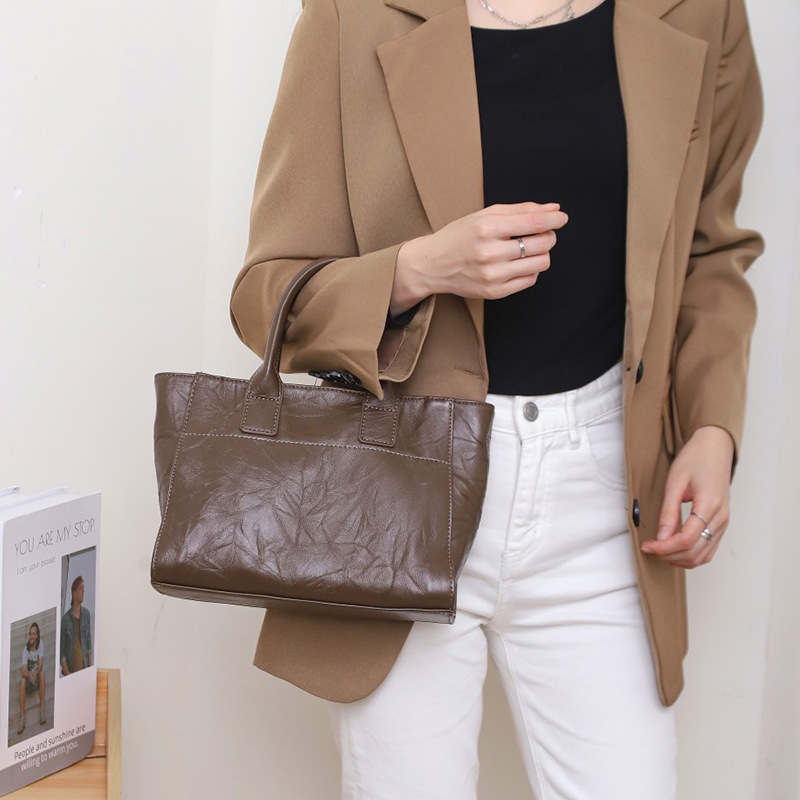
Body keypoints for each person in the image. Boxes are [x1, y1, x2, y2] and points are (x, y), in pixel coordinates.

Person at [229, 0, 765, 796]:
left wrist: (712, 429)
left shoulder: (701, 10)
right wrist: (418, 268)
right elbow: (264, 296)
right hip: (400, 494)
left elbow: (711, 251)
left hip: (607, 496)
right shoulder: (352, 14)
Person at [60, 576, 93, 675]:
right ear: (74, 593)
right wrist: (67, 674)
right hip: (71, 672)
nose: (83, 592)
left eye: (84, 588)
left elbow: (89, 644)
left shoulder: (86, 614)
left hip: (85, 669)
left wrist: (90, 669)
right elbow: (62, 652)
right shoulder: (65, 620)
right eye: (81, 589)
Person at [17, 622, 46, 734]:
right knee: (23, 681)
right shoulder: (25, 650)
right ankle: (22, 719)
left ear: (37, 635)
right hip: (30, 680)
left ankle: (42, 712)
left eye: (33, 634)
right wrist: (30, 675)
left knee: (41, 673)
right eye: (30, 634)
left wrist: (34, 674)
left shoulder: (41, 644)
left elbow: (41, 665)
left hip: (37, 678)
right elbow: (23, 671)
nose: (31, 636)